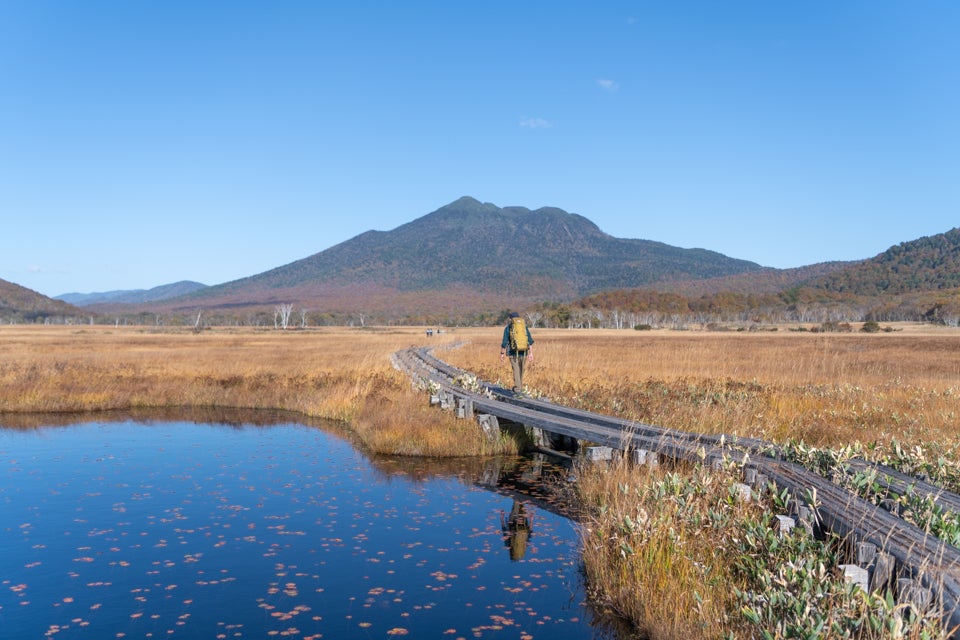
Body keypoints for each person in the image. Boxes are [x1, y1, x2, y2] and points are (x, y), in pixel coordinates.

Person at [500, 312, 534, 394]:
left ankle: (518, 390)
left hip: (513, 353)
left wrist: (502, 353)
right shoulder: (523, 327)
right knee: (521, 371)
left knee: (516, 370)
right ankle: (519, 388)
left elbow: (504, 342)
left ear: (510, 319)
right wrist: (531, 353)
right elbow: (529, 341)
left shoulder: (508, 328)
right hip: (524, 352)